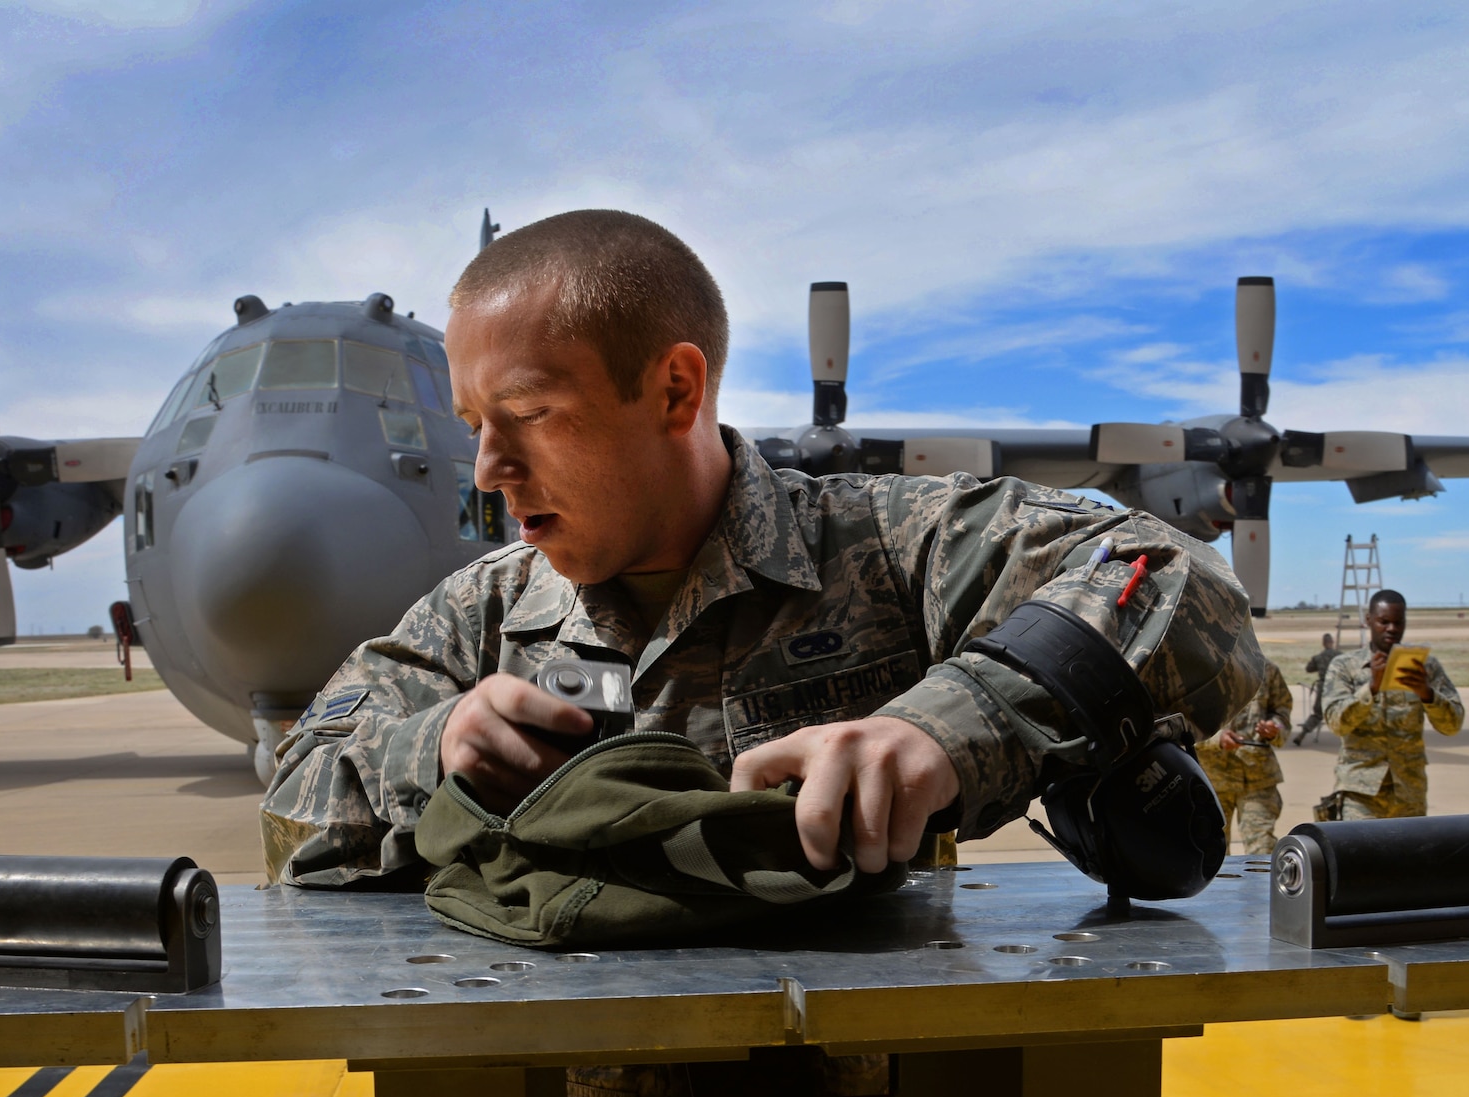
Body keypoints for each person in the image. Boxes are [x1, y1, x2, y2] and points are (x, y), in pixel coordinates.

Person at [258, 210, 1260, 888]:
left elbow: (1177, 583)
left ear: (675, 392)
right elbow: (291, 809)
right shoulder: (478, 617)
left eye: (525, 414)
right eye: (475, 422)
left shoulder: (890, 546)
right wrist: (429, 753)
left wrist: (948, 729)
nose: (486, 469)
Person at [1319, 590, 1463, 820]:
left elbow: (1453, 725)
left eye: (1398, 622)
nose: (1392, 629)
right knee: (1362, 856)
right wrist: (1371, 689)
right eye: (1384, 622)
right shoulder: (1344, 666)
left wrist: (1427, 694)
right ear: (1369, 621)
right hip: (1361, 793)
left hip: (1409, 793)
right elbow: (1337, 723)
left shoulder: (1424, 667)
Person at [1194, 657, 1291, 853]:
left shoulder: (1267, 669)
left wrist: (1275, 728)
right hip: (1213, 782)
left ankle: (1261, 885)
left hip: (1258, 779)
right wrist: (1216, 740)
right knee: (1213, 853)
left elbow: (1282, 716)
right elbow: (1179, 722)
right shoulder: (1197, 671)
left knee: (1262, 851)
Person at [1298, 631, 1335, 738]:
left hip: (1323, 687)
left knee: (1318, 713)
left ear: (1323, 643)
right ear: (1332, 642)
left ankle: (1302, 734)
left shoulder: (1318, 657)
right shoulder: (1339, 656)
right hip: (1336, 686)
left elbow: (1309, 669)